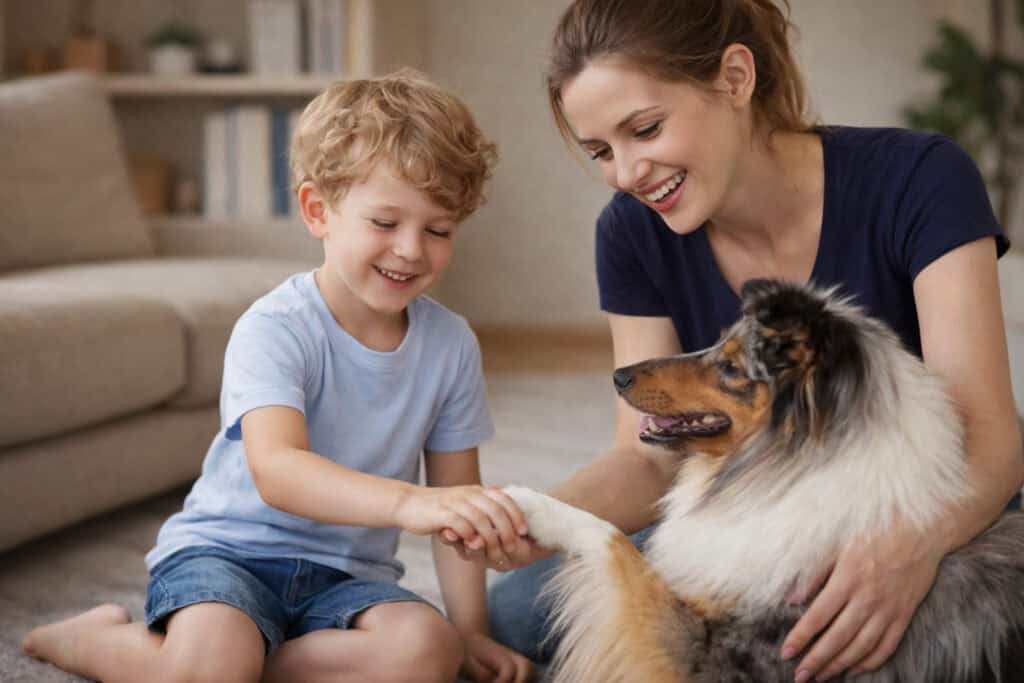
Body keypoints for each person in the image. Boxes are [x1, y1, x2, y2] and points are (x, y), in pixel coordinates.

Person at [454, 1, 1024, 682]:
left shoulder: (920, 178)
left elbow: (989, 433)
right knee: (512, 612)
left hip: (916, 506)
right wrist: (528, 519)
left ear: (733, 78)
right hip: (758, 523)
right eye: (602, 151)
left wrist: (909, 550)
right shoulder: (630, 233)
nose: (628, 173)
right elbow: (649, 455)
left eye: (645, 128)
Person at [22, 70, 534, 683]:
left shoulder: (450, 344)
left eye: (438, 229)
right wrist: (407, 502)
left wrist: (469, 630)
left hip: (347, 582)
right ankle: (89, 641)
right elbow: (279, 471)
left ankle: (235, 667)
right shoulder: (277, 327)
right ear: (319, 210)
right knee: (213, 658)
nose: (411, 249)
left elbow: (457, 508)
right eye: (385, 222)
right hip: (226, 558)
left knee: (429, 651)